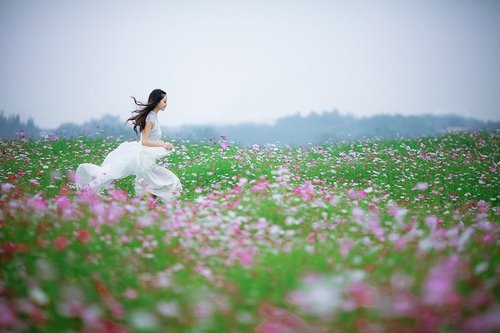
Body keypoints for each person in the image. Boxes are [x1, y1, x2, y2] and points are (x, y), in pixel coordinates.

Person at [75, 89, 182, 201]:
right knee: (168, 181)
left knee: (150, 185)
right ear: (157, 102)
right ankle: (88, 192)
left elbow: (152, 139)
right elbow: (144, 141)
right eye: (164, 101)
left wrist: (164, 144)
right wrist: (163, 145)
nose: (166, 104)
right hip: (144, 157)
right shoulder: (150, 118)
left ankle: (142, 205)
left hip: (147, 158)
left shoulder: (153, 116)